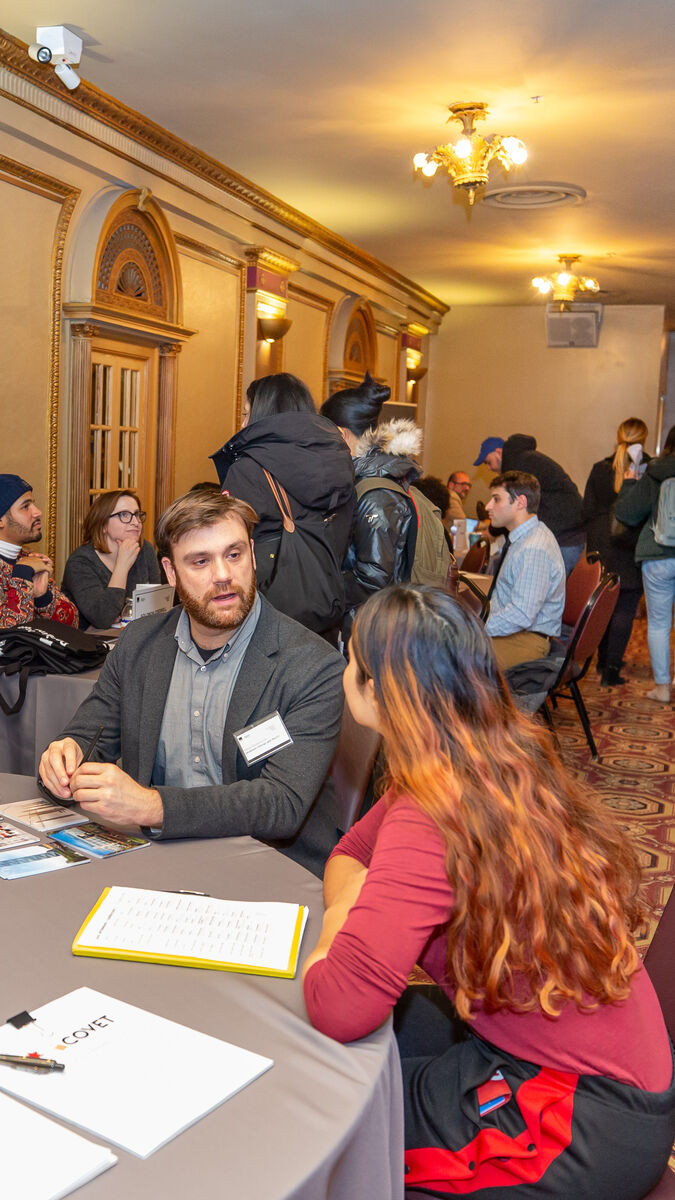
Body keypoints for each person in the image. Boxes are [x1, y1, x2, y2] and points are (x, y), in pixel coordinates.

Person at [303, 585, 675, 1200]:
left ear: (380, 692)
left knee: (342, 1128)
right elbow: (349, 856)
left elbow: (338, 1005)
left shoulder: (431, 808)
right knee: (362, 1072)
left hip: (577, 1115)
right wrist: (356, 904)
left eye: (352, 663)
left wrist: (344, 915)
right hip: (554, 1052)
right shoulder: (484, 758)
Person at [39, 490, 345, 877]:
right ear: (170, 573)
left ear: (252, 554)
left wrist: (153, 807)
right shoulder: (140, 644)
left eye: (234, 555)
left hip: (269, 868)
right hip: (155, 861)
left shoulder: (310, 664)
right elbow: (90, 737)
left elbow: (281, 803)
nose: (222, 575)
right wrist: (64, 756)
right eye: (200, 561)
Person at [210, 372, 355, 636]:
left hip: (270, 614)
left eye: (246, 414)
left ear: (262, 415)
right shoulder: (339, 464)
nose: (242, 424)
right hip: (326, 607)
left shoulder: (248, 470)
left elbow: (232, 545)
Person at [321, 374, 422, 609]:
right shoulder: (365, 479)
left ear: (341, 433)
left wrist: (322, 592)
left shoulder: (376, 495)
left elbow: (374, 577)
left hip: (370, 625)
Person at [583, 418, 649, 686]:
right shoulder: (649, 470)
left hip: (601, 542)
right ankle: (611, 668)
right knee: (624, 608)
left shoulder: (600, 468)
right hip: (630, 543)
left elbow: (586, 510)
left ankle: (599, 661)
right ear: (643, 438)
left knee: (603, 607)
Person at [614, 424, 675, 703]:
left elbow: (626, 513)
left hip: (657, 553)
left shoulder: (655, 471)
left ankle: (662, 688)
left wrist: (629, 482)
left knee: (659, 624)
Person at [484, 471, 565, 670]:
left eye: (496, 499)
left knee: (451, 656)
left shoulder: (533, 547)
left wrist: (476, 627)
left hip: (528, 640)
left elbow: (521, 614)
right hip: (517, 633)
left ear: (520, 502)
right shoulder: (525, 537)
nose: (488, 506)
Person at [475, 434, 585, 575]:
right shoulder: (525, 458)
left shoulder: (519, 465)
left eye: (488, 462)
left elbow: (514, 509)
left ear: (498, 452)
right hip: (567, 532)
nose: (489, 468)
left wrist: (492, 531)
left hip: (563, 537)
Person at [61, 490, 160, 629]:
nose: (136, 522)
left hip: (137, 637)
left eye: (137, 514)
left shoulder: (145, 550)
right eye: (124, 515)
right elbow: (102, 618)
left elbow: (158, 606)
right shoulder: (80, 562)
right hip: (91, 644)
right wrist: (122, 566)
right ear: (103, 525)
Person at [0, 474, 77, 628]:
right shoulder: (26, 565)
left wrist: (43, 596)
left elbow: (72, 624)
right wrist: (22, 573)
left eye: (33, 504)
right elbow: (8, 639)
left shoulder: (28, 559)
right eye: (25, 507)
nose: (38, 512)